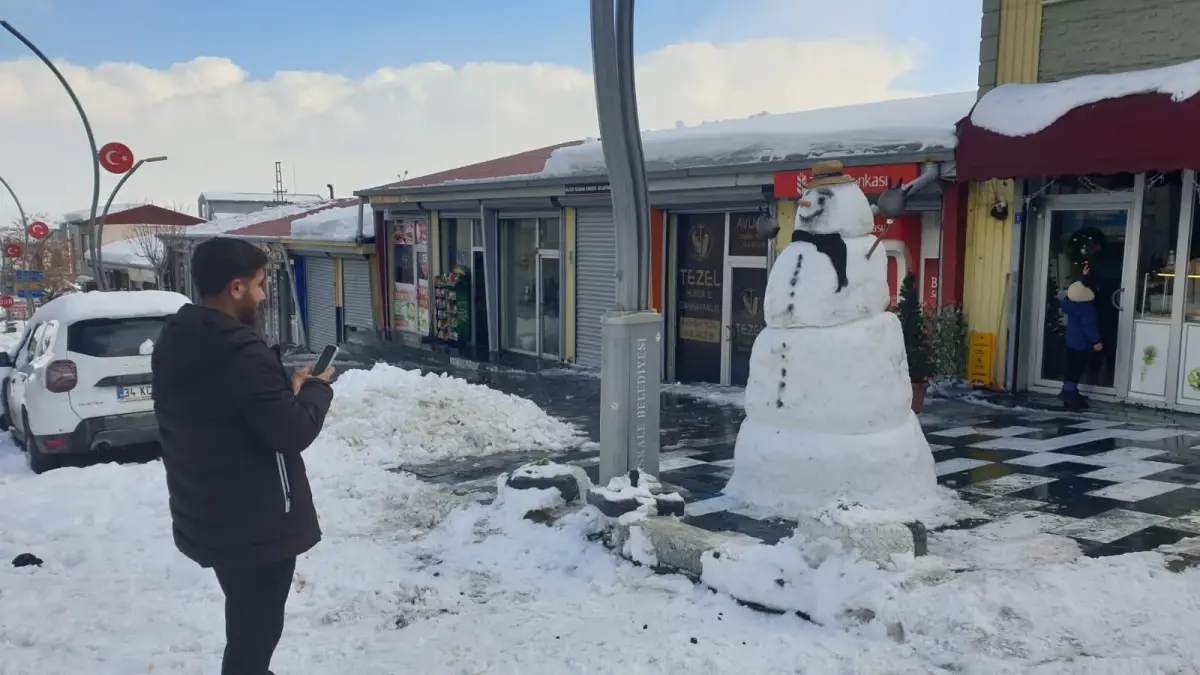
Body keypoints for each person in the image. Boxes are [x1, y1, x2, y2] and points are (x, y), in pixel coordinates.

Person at [152, 237, 335, 675]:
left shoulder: (180, 339)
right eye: (257, 284)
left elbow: (231, 411)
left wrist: (281, 393)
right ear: (236, 288)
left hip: (211, 509)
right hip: (256, 522)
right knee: (255, 636)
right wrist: (317, 388)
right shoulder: (240, 352)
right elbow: (292, 432)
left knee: (246, 623)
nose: (263, 294)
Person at [1059, 262, 1102, 410]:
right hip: (1082, 345)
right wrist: (1096, 342)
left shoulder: (1070, 305)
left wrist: (1082, 277)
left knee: (1070, 369)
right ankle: (1069, 395)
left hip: (1071, 343)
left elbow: (1077, 288)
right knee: (1077, 371)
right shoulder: (1086, 309)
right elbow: (1089, 327)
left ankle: (1070, 392)